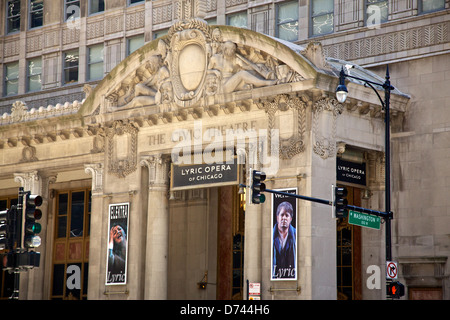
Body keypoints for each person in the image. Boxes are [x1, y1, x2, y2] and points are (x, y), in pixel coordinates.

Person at [272, 201, 296, 279]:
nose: (284, 218)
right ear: (277, 217)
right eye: (282, 215)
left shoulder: (296, 234)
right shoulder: (271, 234)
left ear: (291, 219)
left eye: (287, 215)